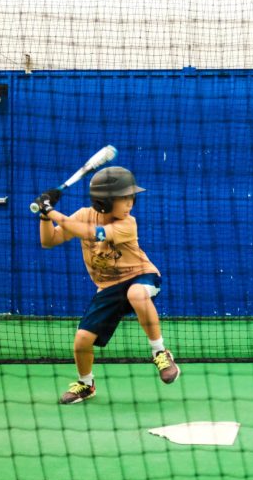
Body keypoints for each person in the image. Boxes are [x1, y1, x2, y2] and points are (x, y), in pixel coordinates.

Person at [34, 166, 179, 404]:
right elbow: (48, 240)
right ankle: (86, 384)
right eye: (124, 199)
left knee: (136, 294)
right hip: (108, 288)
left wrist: (52, 211)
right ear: (104, 202)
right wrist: (43, 215)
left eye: (131, 197)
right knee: (81, 340)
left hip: (141, 276)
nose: (130, 203)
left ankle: (160, 352)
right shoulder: (83, 214)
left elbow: (91, 233)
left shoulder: (128, 223)